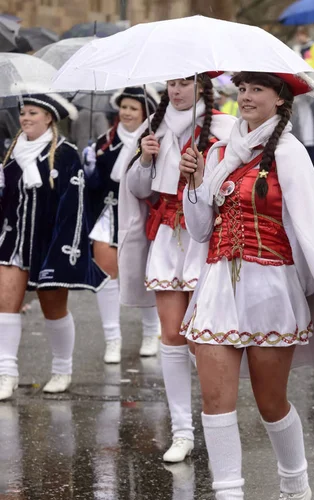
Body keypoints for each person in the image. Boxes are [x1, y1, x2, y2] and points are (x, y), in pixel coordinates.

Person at [179, 71, 314, 500]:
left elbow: (310, 234)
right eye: (241, 89)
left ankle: (294, 487)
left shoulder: (290, 154)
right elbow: (201, 230)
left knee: (270, 402)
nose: (244, 97)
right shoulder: (218, 152)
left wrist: (308, 297)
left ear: (280, 100)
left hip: (271, 289)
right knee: (215, 400)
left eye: (256, 90)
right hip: (219, 287)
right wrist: (194, 184)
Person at [119, 74, 236, 463]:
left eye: (185, 82)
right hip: (167, 236)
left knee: (203, 337)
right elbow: (136, 189)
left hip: (203, 237)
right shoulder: (153, 126)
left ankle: (214, 416)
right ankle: (181, 431)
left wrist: (201, 173)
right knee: (171, 334)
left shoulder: (223, 126)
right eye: (171, 82)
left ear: (201, 86)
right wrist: (146, 158)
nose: (176, 90)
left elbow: (232, 183)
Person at [0, 89, 107, 401]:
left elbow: (73, 207)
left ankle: (62, 369)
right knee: (5, 304)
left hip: (49, 242)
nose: (25, 118)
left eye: (33, 113)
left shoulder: (66, 153)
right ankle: (6, 373)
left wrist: (65, 250)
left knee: (53, 308)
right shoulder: (11, 152)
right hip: (15, 238)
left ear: (48, 117)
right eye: (23, 113)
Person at [83, 87, 160, 363]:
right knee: (106, 273)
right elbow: (94, 187)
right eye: (123, 107)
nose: (126, 113)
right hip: (110, 212)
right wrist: (90, 169)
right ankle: (112, 339)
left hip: (143, 214)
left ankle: (153, 331)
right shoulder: (104, 142)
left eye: (132, 108)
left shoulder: (155, 140)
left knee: (146, 273)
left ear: (144, 113)